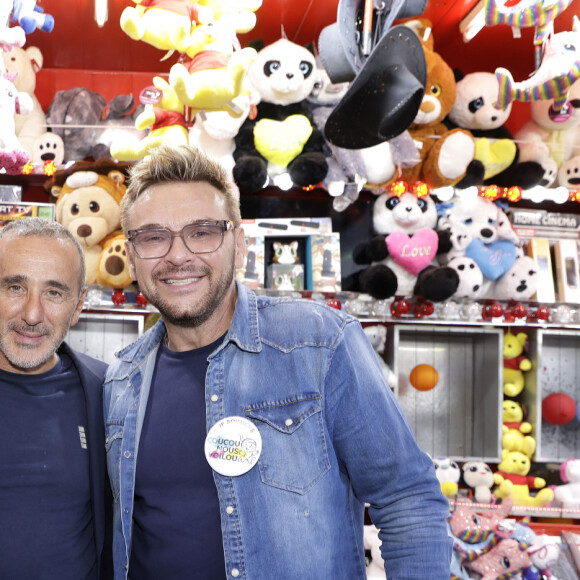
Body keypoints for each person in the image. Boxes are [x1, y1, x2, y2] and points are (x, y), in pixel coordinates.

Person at [104, 144, 452, 579]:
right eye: (154, 237)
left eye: (203, 231)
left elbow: (408, 499)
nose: (178, 255)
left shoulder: (319, 344)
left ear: (239, 247)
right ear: (132, 258)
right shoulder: (121, 380)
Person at [0, 218, 112, 579]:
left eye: (54, 293)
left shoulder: (107, 393)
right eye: (15, 287)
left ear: (78, 306)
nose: (32, 315)